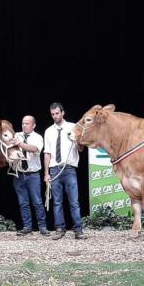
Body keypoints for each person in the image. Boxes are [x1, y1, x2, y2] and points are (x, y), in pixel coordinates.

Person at [43, 102, 86, 240]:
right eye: (52, 114)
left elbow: (81, 149)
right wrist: (46, 173)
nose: (55, 116)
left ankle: (78, 230)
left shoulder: (73, 127)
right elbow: (47, 153)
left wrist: (77, 141)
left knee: (74, 201)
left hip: (69, 168)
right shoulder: (48, 131)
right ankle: (60, 229)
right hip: (54, 169)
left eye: (57, 113)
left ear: (63, 113)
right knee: (57, 202)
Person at [9, 115, 49, 236]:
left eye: (27, 123)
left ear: (33, 125)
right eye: (23, 123)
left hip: (33, 175)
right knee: (23, 202)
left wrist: (19, 144)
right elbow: (9, 149)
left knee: (37, 202)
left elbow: (34, 149)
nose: (24, 125)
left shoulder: (37, 137)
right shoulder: (16, 135)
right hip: (19, 174)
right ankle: (27, 227)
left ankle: (42, 227)